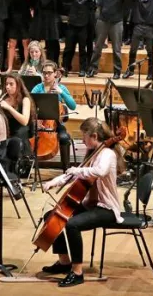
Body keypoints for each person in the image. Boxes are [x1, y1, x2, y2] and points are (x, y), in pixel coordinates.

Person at [40, 118, 125, 288]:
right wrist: (53, 182)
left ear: (94, 136)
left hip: (106, 208)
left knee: (72, 225)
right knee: (52, 216)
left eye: (84, 136)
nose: (82, 140)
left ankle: (77, 272)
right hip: (91, 204)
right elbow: (73, 174)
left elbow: (99, 171)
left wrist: (77, 170)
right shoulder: (93, 153)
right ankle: (64, 262)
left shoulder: (107, 154)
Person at [31, 60, 76, 170]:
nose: (46, 75)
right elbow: (30, 106)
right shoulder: (38, 88)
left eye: (49, 73)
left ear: (55, 73)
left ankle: (66, 169)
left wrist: (61, 93)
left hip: (55, 125)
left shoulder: (61, 88)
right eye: (44, 73)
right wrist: (36, 121)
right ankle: (27, 167)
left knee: (64, 137)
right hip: (38, 123)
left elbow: (73, 106)